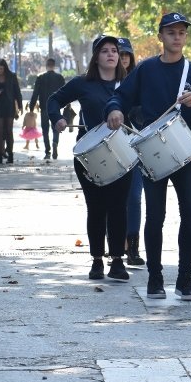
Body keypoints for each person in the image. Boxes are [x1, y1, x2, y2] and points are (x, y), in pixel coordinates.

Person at [105, 12, 191, 301]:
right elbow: (120, 97)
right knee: (155, 216)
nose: (176, 37)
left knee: (190, 214)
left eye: (181, 32)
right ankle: (155, 278)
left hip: (185, 155)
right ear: (161, 36)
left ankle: (185, 278)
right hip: (153, 154)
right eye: (171, 32)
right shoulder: (145, 70)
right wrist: (114, 110)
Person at [49, 35, 132, 284]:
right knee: (96, 207)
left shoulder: (128, 83)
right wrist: (58, 119)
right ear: (96, 56)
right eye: (105, 50)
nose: (111, 54)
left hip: (122, 151)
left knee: (118, 207)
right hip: (89, 154)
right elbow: (53, 100)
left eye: (115, 50)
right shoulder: (83, 83)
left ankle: (117, 261)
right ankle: (97, 260)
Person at [116, 37, 145, 266]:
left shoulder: (140, 81)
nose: (122, 58)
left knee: (134, 197)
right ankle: (115, 246)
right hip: (109, 149)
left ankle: (133, 246)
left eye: (125, 54)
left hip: (134, 144)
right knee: (112, 201)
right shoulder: (102, 82)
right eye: (118, 53)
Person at [29, 58, 66, 161]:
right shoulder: (59, 78)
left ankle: (47, 151)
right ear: (54, 66)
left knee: (45, 130)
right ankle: (55, 142)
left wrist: (31, 107)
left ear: (46, 66)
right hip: (56, 108)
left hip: (44, 107)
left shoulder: (40, 77)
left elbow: (35, 93)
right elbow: (66, 93)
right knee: (56, 128)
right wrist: (67, 105)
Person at [0, 59, 22, 165]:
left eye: (1, 69)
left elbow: (17, 91)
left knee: (9, 130)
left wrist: (20, 105)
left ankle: (10, 154)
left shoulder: (11, 76)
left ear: (5, 68)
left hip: (9, 106)